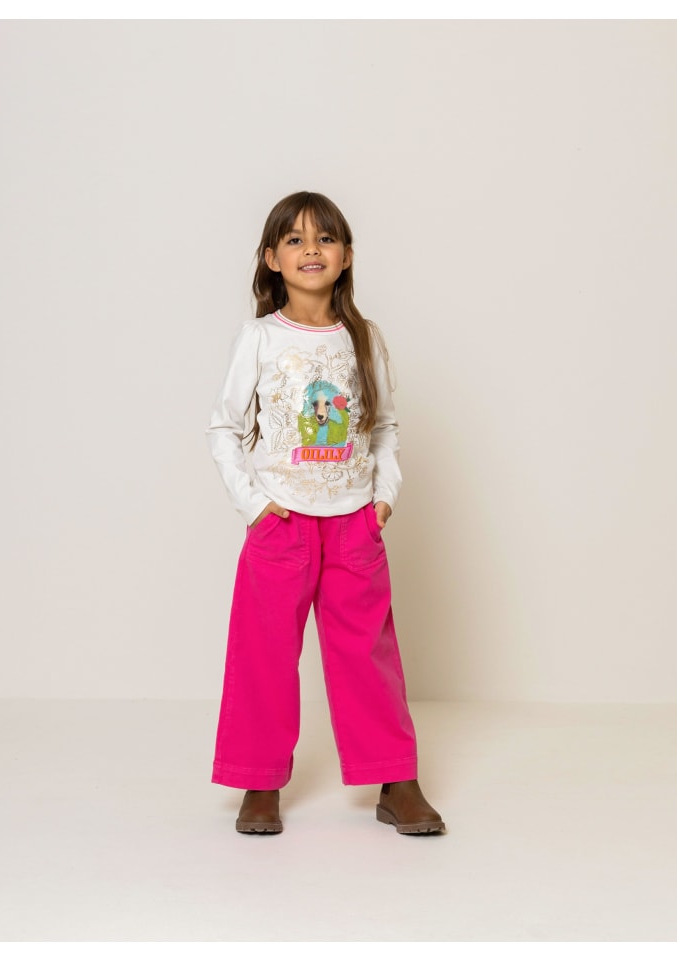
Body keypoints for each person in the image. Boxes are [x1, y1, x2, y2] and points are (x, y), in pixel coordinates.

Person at [205, 191, 445, 836]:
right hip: (281, 524)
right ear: (271, 259)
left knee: (368, 655)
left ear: (346, 256)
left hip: (352, 524)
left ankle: (396, 780)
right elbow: (224, 427)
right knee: (263, 654)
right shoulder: (259, 337)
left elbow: (384, 425)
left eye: (325, 238)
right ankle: (259, 782)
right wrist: (255, 505)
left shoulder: (364, 338)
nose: (311, 249)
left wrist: (384, 495)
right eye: (295, 240)